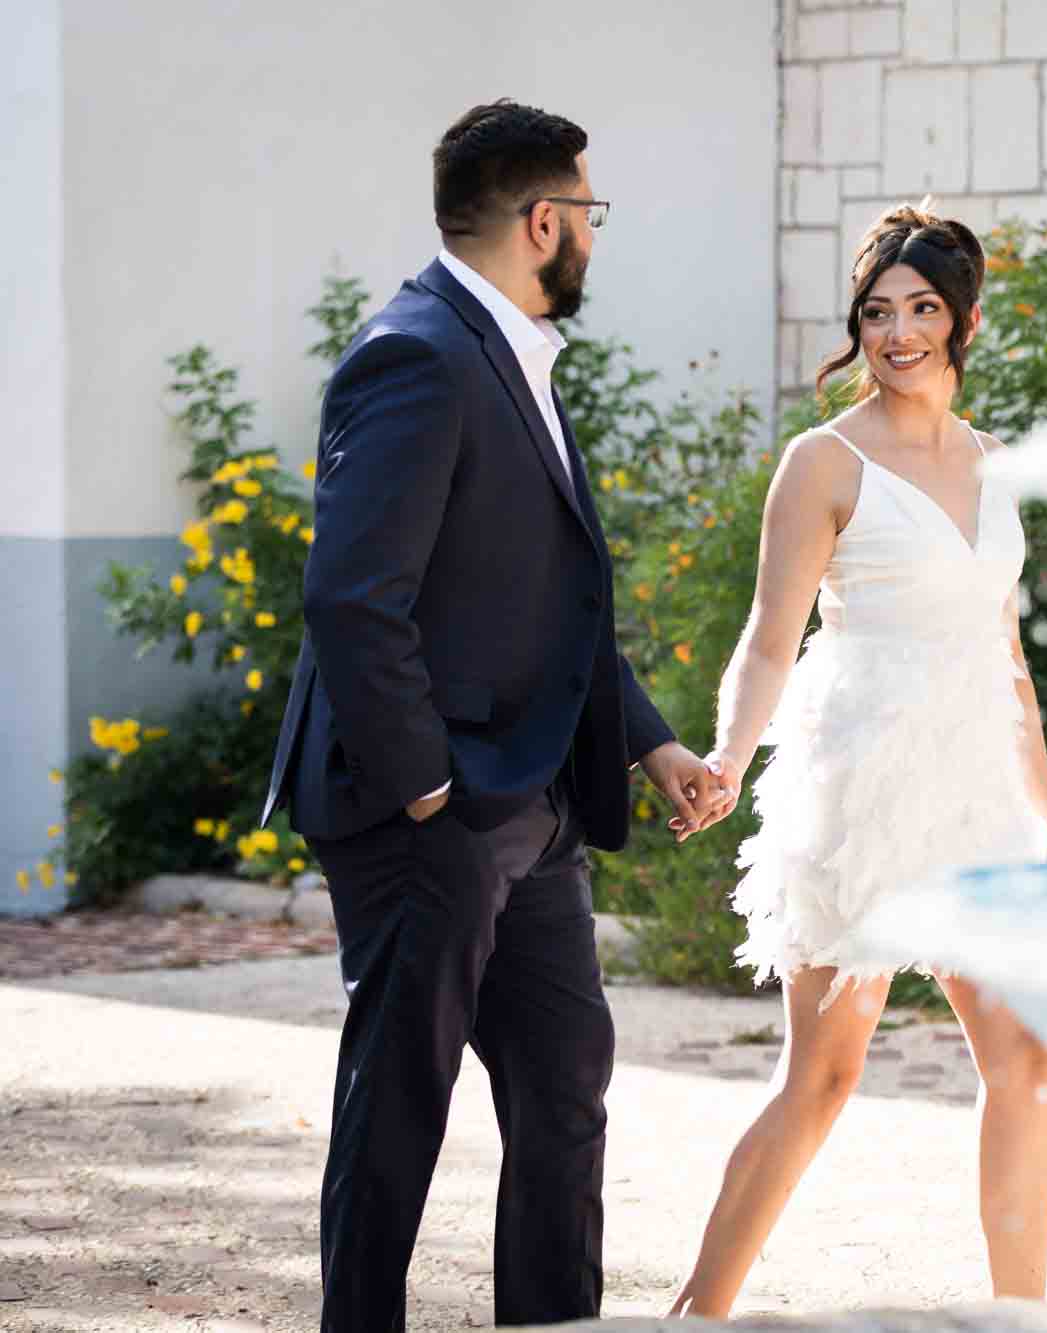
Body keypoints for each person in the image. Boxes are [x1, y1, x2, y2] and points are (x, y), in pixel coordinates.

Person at [260, 99, 729, 1330]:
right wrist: (429, 787)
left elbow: (546, 598)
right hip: (437, 810)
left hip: (531, 806)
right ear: (542, 221)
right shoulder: (415, 350)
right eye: (589, 214)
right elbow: (353, 597)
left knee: (566, 1079)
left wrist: (648, 737)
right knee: (401, 1101)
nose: (593, 237)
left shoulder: (505, 349)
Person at [668, 203, 1047, 1316]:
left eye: (921, 310)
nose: (897, 334)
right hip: (861, 788)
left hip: (979, 799)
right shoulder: (824, 461)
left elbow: (1006, 656)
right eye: (878, 312)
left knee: (1028, 1069)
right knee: (823, 1077)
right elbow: (767, 634)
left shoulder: (996, 466)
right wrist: (724, 754)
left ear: (963, 319)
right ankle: (695, 1312)